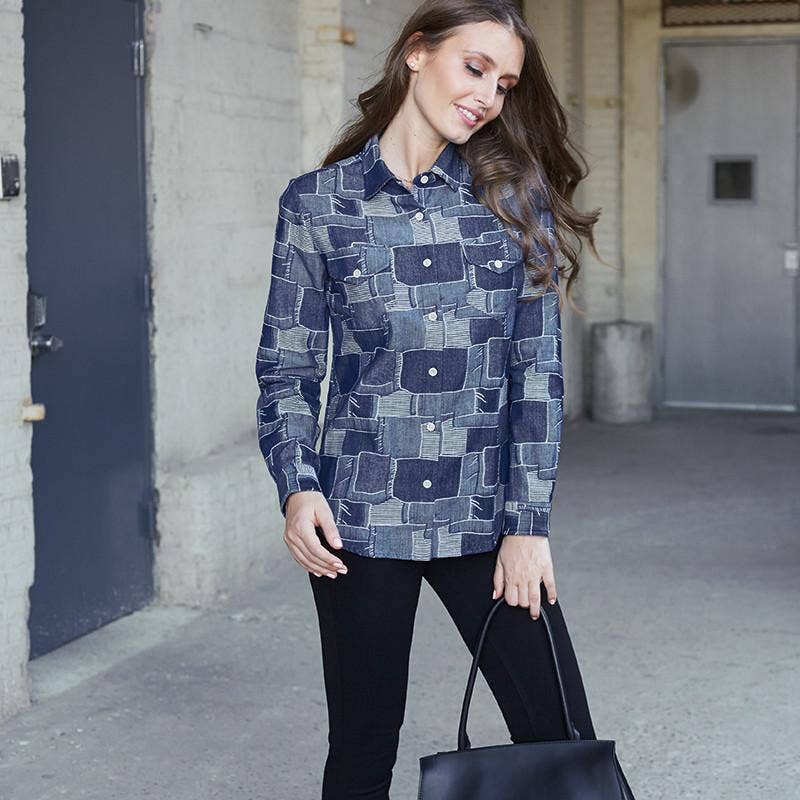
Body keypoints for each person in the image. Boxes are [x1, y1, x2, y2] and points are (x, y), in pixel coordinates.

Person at [255, 1, 603, 797]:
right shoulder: (319, 204)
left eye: (504, 83)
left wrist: (528, 526)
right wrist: (298, 485)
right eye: (474, 67)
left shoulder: (512, 202)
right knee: (362, 744)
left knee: (561, 735)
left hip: (486, 516)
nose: (487, 95)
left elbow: (537, 375)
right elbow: (288, 367)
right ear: (417, 52)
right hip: (359, 518)